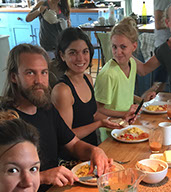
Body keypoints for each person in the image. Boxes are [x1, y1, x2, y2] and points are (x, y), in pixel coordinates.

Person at [0, 43, 111, 190]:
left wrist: (94, 151)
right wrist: (44, 177)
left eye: (44, 72)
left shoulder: (47, 109)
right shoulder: (4, 122)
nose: (39, 81)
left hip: (56, 191)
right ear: (14, 77)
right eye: (30, 73)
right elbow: (1, 180)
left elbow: (74, 144)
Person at [51, 27, 124, 162]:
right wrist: (99, 124)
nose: (80, 58)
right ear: (62, 55)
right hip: (73, 160)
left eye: (85, 52)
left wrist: (114, 121)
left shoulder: (88, 78)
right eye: (73, 52)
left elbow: (93, 114)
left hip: (92, 151)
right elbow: (66, 136)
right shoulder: (63, 90)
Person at [94, 17, 157, 120]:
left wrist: (142, 100)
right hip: (111, 129)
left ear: (134, 46)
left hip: (127, 123)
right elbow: (97, 110)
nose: (118, 52)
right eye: (114, 47)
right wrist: (124, 114)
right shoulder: (108, 74)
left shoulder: (132, 64)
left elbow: (124, 95)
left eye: (123, 47)